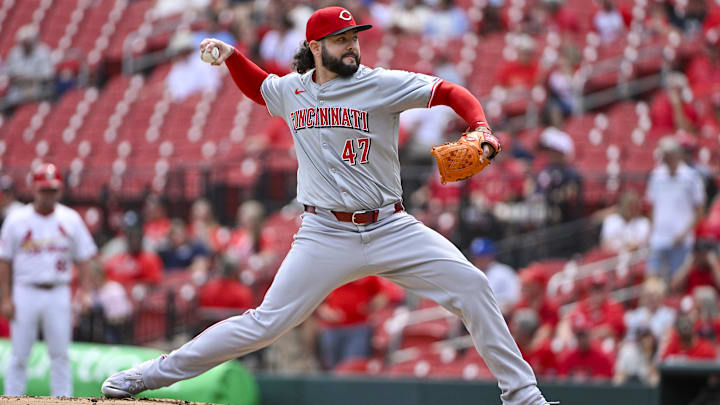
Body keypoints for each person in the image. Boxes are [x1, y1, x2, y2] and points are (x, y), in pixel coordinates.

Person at [102, 7, 554, 405]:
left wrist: (480, 126)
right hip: (325, 233)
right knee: (264, 324)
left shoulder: (381, 84)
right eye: (342, 40)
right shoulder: (294, 90)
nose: (352, 46)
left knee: (473, 287)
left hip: (390, 226)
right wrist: (233, 56)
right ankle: (149, 375)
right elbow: (262, 88)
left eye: (354, 37)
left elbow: (449, 91)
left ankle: (524, 398)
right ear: (316, 47)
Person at [0, 163, 97, 396]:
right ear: (34, 188)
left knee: (60, 353)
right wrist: (5, 297)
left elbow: (85, 258)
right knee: (19, 354)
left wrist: (85, 292)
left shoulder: (70, 218)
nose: (48, 195)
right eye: (44, 189)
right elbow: (4, 261)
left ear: (59, 190)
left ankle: (62, 400)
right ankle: (13, 399)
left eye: (52, 190)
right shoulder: (16, 219)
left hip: (58, 290)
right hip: (26, 290)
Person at [646, 137, 706, 283]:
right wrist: (653, 230)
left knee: (677, 282)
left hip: (681, 240)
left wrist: (684, 233)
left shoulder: (691, 177)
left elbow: (699, 210)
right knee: (652, 279)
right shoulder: (656, 176)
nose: (666, 158)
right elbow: (651, 206)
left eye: (669, 154)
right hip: (659, 238)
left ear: (677, 154)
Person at [316, 275, 388, 369]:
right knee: (330, 366)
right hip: (331, 328)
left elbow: (383, 296)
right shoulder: (330, 275)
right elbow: (317, 301)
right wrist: (327, 313)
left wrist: (370, 306)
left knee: (353, 365)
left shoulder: (367, 276)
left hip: (358, 327)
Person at [4, 25, 54, 108]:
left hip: (39, 89)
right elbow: (11, 75)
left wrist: (28, 79)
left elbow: (47, 76)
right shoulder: (15, 52)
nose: (26, 44)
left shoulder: (43, 52)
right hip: (17, 90)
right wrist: (26, 79)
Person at [469, 237, 520, 316]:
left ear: (490, 255)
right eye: (477, 257)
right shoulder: (472, 274)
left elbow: (515, 297)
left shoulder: (504, 272)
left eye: (483, 256)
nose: (479, 260)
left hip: (502, 313)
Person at [558, 315, 614, 380]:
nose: (582, 339)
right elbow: (561, 379)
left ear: (590, 336)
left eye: (584, 336)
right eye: (580, 336)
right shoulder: (568, 358)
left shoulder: (601, 358)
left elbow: (607, 381)